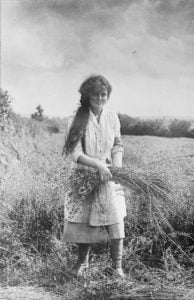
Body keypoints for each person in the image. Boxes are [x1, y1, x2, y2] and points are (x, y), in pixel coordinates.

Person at [62, 74, 126, 278]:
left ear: (108, 95)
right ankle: (83, 264)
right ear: (87, 96)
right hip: (85, 174)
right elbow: (75, 153)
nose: (100, 98)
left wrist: (116, 167)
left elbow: (117, 144)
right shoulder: (76, 118)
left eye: (103, 94)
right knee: (84, 222)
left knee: (115, 219)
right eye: (95, 95)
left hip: (108, 175)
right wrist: (97, 164)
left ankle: (117, 267)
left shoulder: (112, 117)